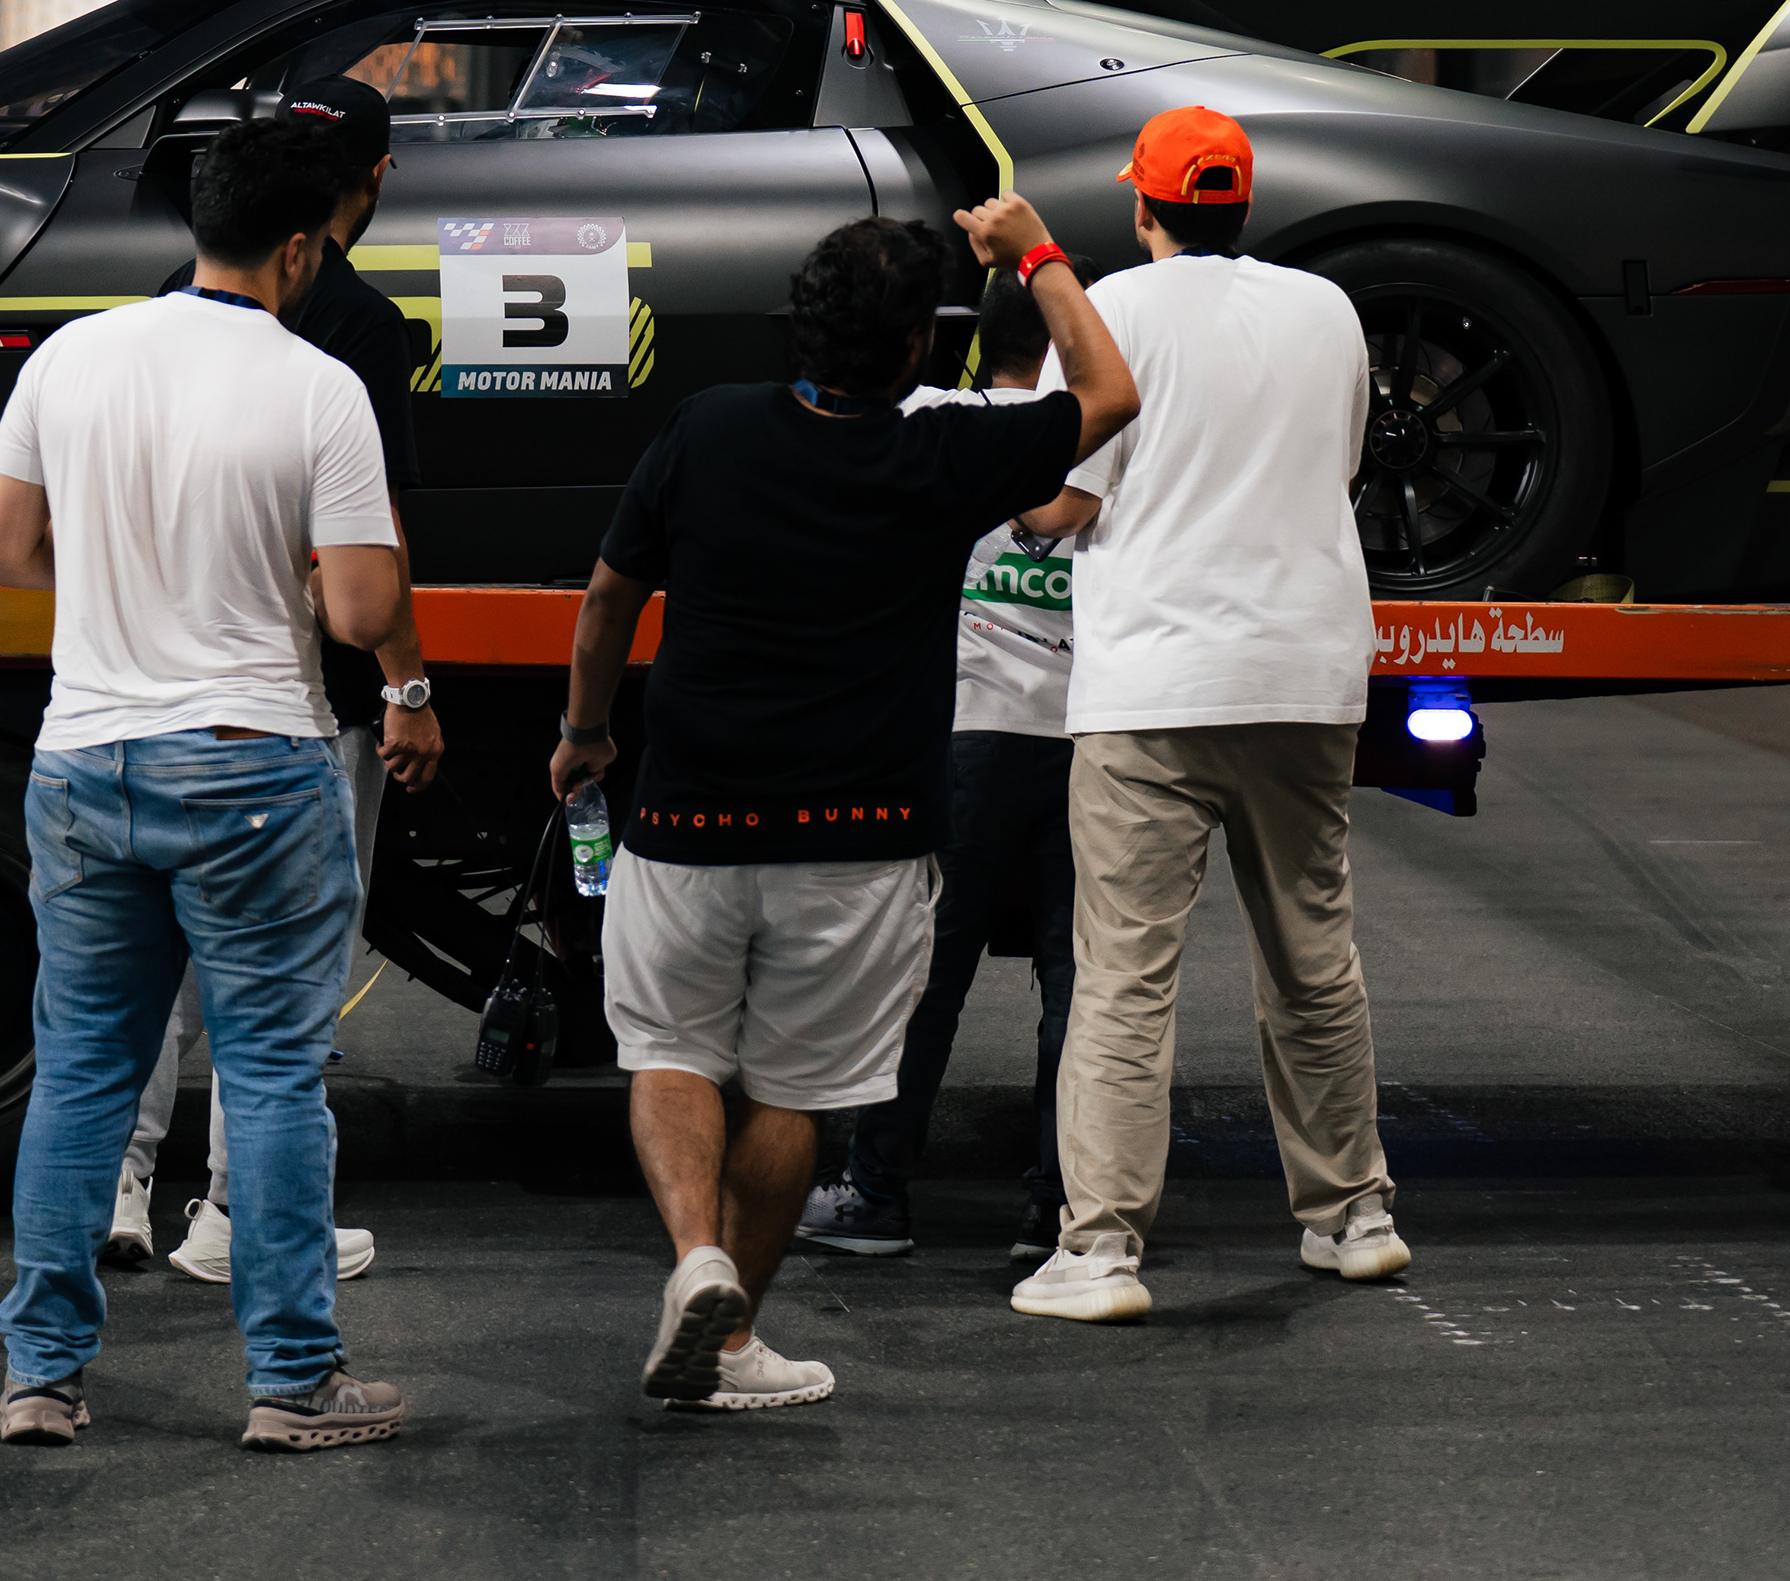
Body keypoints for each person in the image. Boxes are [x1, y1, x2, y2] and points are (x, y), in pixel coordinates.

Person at [556, 199, 1134, 1411]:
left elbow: (608, 597)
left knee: (670, 1052)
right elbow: (1108, 391)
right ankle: (732, 1340)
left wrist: (586, 732)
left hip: (690, 815)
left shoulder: (707, 426)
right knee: (793, 1091)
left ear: (800, 323)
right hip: (861, 840)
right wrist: (1033, 248)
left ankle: (696, 1257)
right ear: (916, 347)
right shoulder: (945, 455)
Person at [0, 114, 416, 1453]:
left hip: (85, 757)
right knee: (271, 1078)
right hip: (253, 764)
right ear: (301, 247)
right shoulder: (319, 386)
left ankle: (42, 1375)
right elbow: (361, 609)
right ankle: (293, 1380)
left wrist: (115, 587)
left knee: (81, 1076)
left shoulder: (73, 354)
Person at [1004, 107, 1405, 1327]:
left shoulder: (1112, 308)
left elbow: (1064, 500)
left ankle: (1101, 1251)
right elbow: (1338, 468)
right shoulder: (1327, 308)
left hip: (1155, 690)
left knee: (1126, 975)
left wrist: (1014, 501)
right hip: (1306, 674)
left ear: (1144, 206)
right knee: (1313, 953)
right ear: (1243, 203)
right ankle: (1355, 1216)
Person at [107, 78, 440, 1283]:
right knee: (280, 972)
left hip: (160, 684)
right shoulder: (358, 325)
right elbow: (369, 537)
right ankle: (236, 1217)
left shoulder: (166, 303)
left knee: (153, 961)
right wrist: (406, 685)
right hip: (302, 698)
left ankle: (116, 1187)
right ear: (376, 177)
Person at [794, 262, 1097, 1264]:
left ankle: (877, 1193)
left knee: (926, 979)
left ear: (975, 340)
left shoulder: (930, 419)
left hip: (967, 739)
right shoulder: (1101, 437)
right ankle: (1064, 1211)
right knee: (1081, 987)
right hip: (1088, 737)